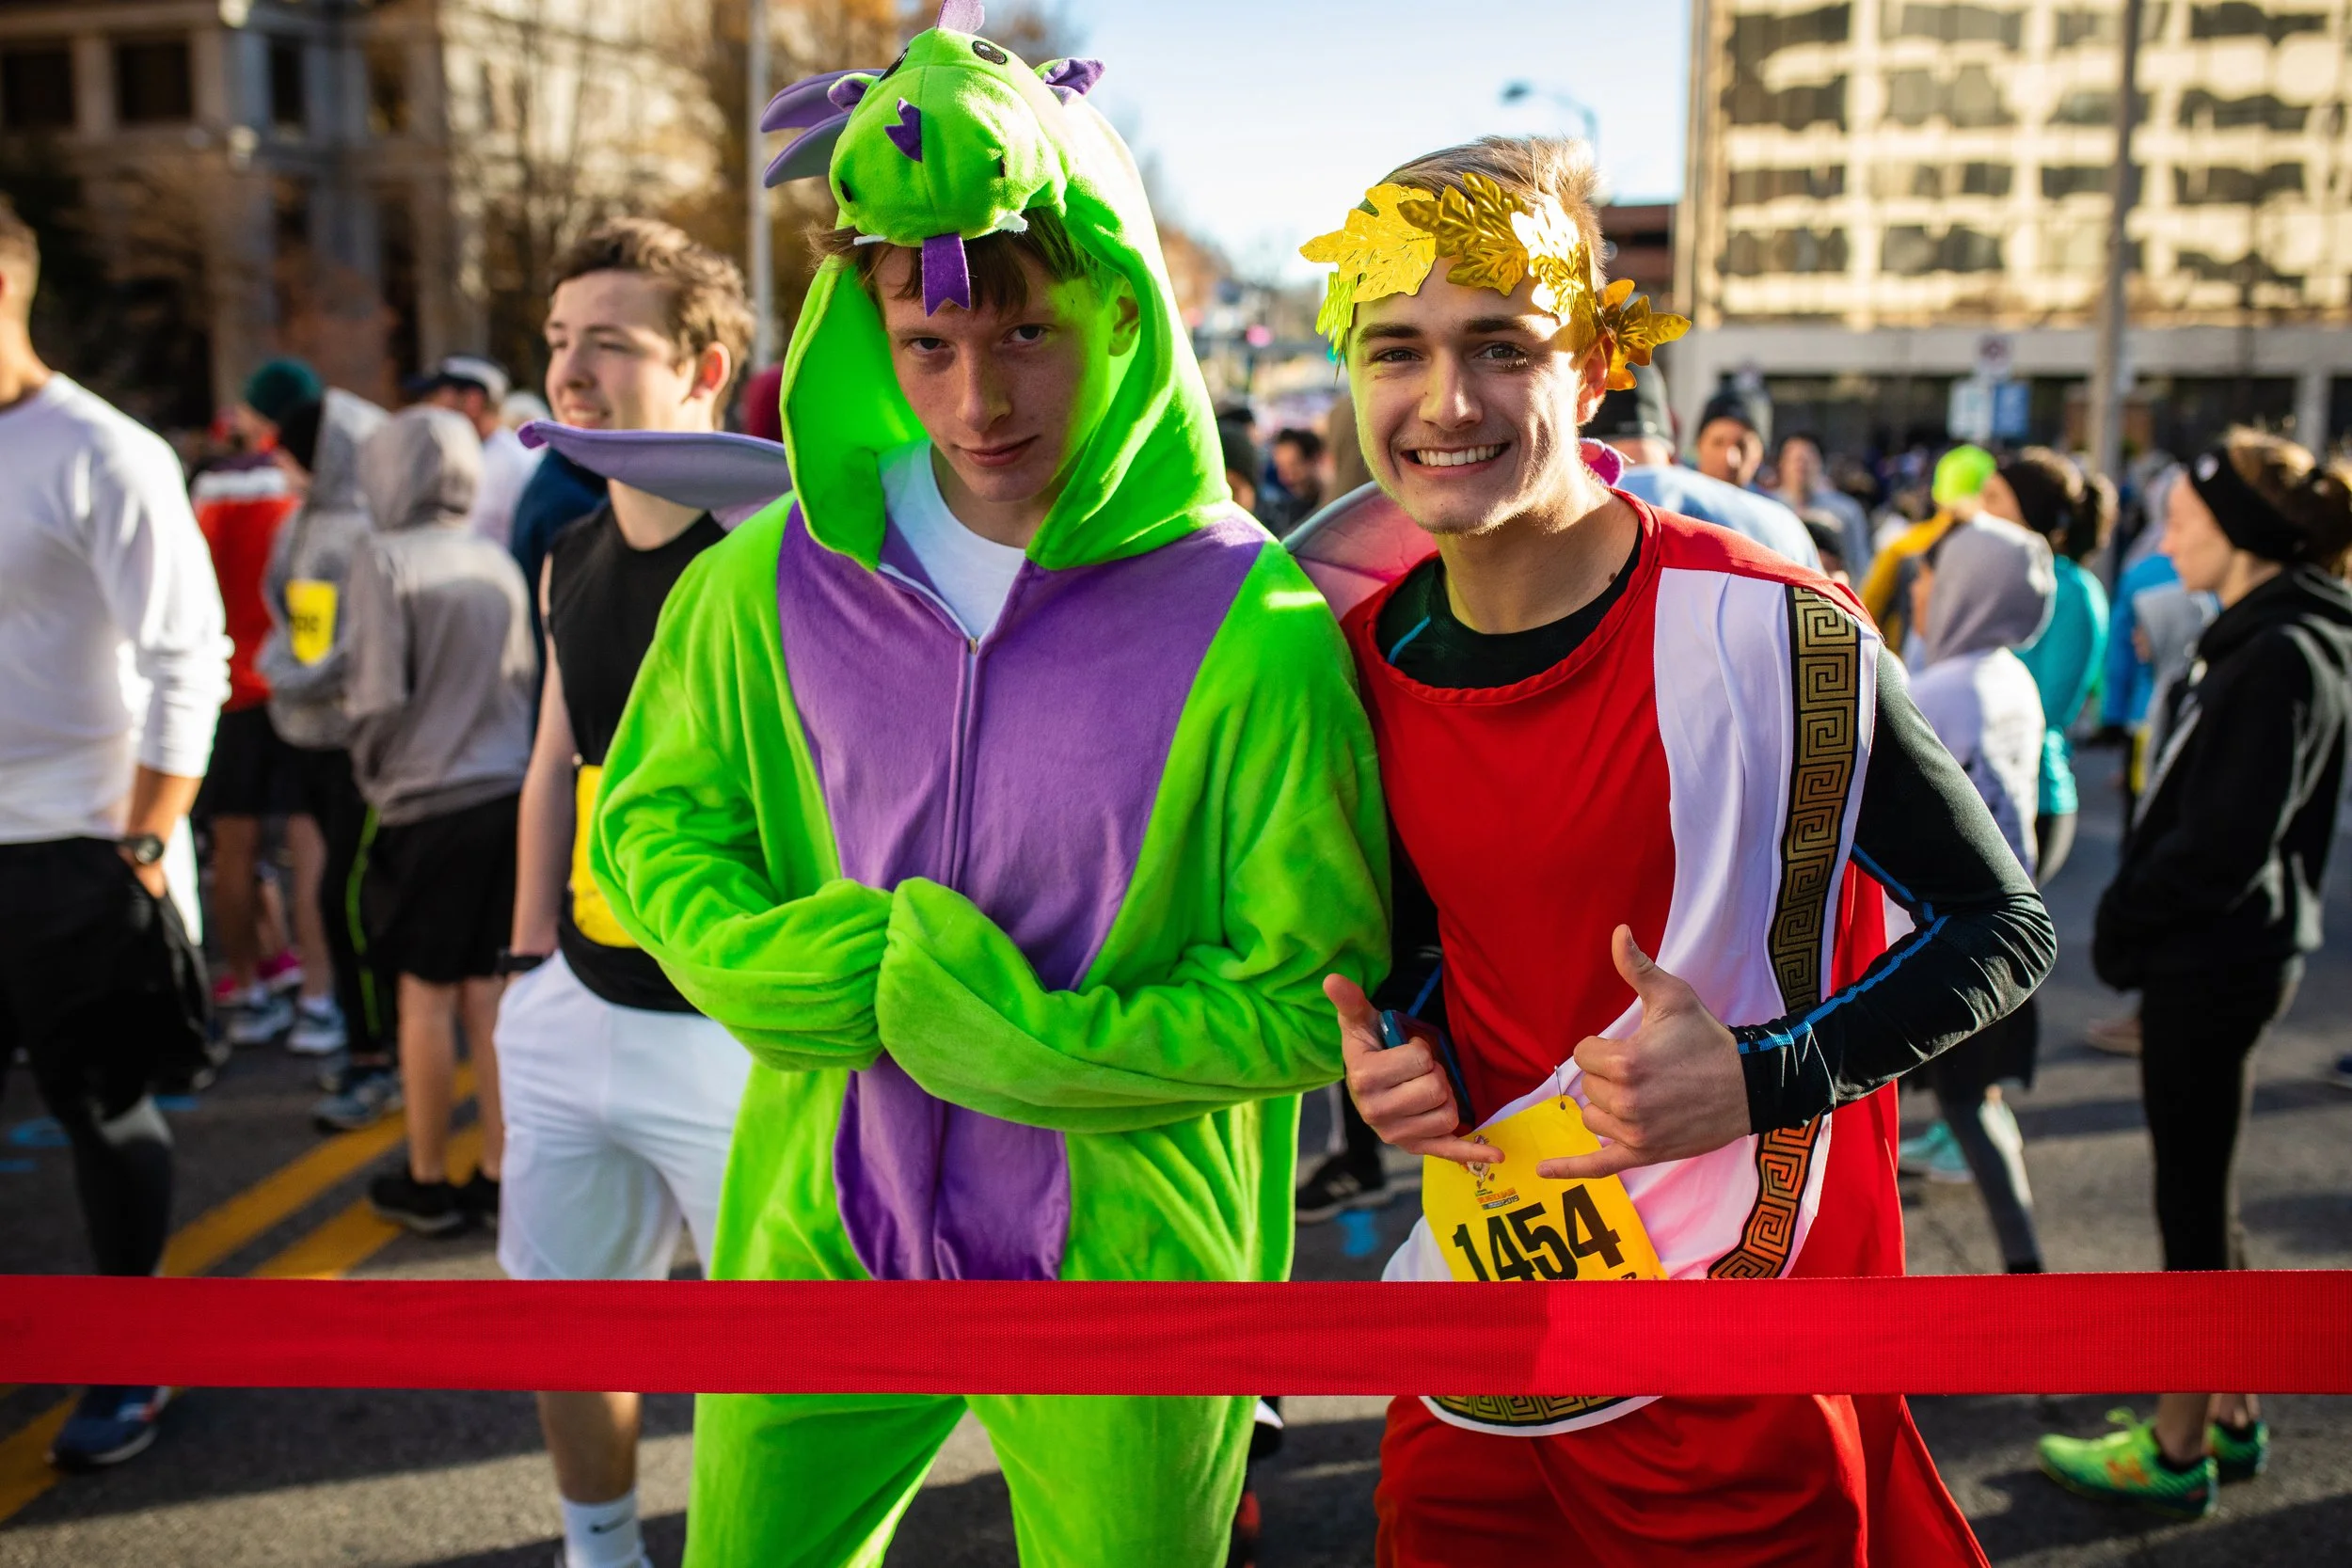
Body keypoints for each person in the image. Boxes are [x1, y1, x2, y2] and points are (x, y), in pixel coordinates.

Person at [588, 13, 1388, 1561]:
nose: (980, 401)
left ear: (1126, 318)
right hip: (817, 1222)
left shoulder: (1254, 627)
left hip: (1136, 1260)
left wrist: (1034, 1048)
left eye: (1031, 333)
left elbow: (1316, 995)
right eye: (931, 345)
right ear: (867, 334)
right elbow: (656, 822)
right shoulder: (769, 584)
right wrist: (762, 962)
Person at [1298, 135, 2052, 1563]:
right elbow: (1424, 953)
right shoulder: (1350, 663)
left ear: (1592, 365)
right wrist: (1405, 1048)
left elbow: (2003, 927)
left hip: (1729, 1335)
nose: (1444, 401)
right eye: (1396, 348)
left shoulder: (1776, 627)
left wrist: (1764, 1074)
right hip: (1476, 1301)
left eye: (1501, 346)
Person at [495, 217, 756, 1568]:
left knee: (771, 1359)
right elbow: (557, 760)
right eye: (556, 341)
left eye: (609, 341)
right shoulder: (566, 555)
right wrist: (529, 960)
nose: (570, 371)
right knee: (566, 1319)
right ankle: (599, 1550)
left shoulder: (776, 571)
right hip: (572, 1005)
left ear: (703, 368)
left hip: (731, 1030)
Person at [2042, 431, 2352, 1518]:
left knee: (2189, 1203)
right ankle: (2230, 1403)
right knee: (2206, 1193)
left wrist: (2124, 923)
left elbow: (2222, 842)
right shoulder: (2276, 633)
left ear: (2243, 534)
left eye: (2185, 515)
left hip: (2216, 959)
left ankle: (2175, 1446)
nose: (2162, 530)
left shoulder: (2281, 651)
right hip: (2228, 953)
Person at [0, 196, 230, 1468]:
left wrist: (142, 845)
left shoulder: (106, 451)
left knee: (104, 1111)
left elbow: (186, 655)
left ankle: (127, 1353)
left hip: (82, 849)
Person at [342, 405, 534, 1233]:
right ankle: (498, 1170)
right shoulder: (493, 557)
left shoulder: (381, 558)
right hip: (507, 796)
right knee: (488, 997)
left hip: (424, 803)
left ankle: (427, 1175)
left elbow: (376, 696)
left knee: (421, 996)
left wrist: (371, 768)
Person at [1892, 519, 2054, 1273]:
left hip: (1947, 940)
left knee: (1962, 1103)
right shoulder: (2011, 674)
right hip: (2007, 923)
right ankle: (2024, 1261)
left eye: (1930, 576)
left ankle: (2023, 1271)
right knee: (1977, 1100)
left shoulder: (1940, 690)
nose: (1918, 591)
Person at [255, 388, 405, 1124]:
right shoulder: (299, 524)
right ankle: (365, 1043)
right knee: (335, 895)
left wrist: (305, 671)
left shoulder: (364, 534)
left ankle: (379, 1055)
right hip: (305, 733)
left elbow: (362, 645)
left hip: (356, 744)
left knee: (346, 899)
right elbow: (281, 602)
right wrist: (284, 662)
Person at [190, 391, 317, 1048]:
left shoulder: (202, 499)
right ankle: (319, 993)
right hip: (289, 688)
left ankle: (252, 983)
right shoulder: (296, 496)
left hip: (227, 691)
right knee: (307, 845)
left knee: (235, 853)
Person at [1983, 448, 2114, 883]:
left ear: (2031, 511)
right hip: (1980, 789)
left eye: (1995, 498)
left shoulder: (2072, 589)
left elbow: (2051, 707)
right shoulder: (1995, 576)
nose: (1982, 510)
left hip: (2032, 797)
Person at [1589, 361, 1819, 567]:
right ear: (1680, 450)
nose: (1730, 458)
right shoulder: (1784, 526)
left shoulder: (1575, 521)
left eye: (1743, 445)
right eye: (1718, 442)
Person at [1862, 442, 1995, 653]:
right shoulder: (2000, 553)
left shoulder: (1903, 544)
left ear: (1937, 492)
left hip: (1905, 669)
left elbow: (1867, 610)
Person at [418, 355, 540, 549]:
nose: (429, 407)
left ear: (473, 401)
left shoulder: (515, 463)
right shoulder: (464, 454)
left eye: (437, 396)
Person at [1771, 431, 1874, 580]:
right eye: (1794, 459)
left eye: (1808, 459)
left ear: (1820, 463)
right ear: (1781, 464)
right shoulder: (1768, 509)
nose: (1801, 465)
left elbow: (1860, 563)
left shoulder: (1847, 510)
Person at [1690, 386, 1766, 487]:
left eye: (1741, 446)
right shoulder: (1671, 499)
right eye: (1718, 443)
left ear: (1759, 454)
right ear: (1699, 446)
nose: (1729, 460)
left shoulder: (1769, 503)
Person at [1261, 426, 1326, 531]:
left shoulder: (1332, 501)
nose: (1286, 478)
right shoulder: (1280, 509)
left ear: (1314, 460)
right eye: (1281, 469)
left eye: (1294, 466)